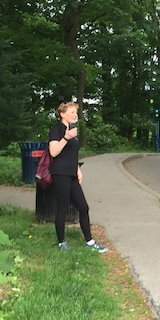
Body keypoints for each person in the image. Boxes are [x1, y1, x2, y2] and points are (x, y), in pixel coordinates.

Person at [47, 101, 108, 253]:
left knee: (83, 207)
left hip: (72, 174)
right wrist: (66, 138)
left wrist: (78, 169)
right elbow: (53, 152)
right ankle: (62, 242)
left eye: (76, 112)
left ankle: (90, 241)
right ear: (62, 114)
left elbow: (72, 154)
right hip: (60, 173)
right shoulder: (56, 130)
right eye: (72, 112)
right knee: (62, 208)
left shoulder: (73, 131)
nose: (75, 115)